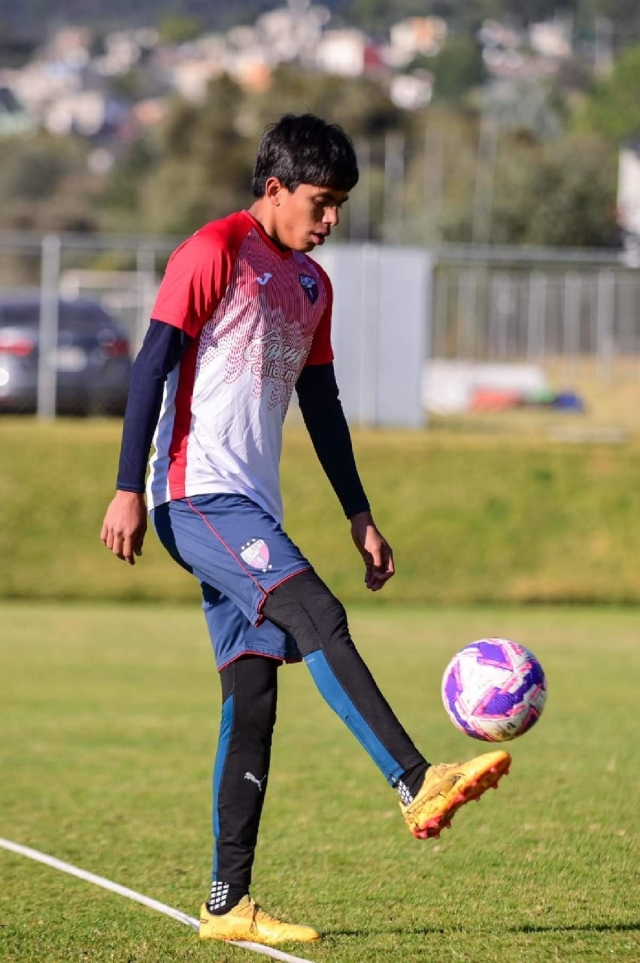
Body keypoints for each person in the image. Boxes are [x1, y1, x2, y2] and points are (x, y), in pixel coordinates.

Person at [100, 113, 510, 947]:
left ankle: (227, 901)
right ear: (275, 188)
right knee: (318, 615)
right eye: (321, 203)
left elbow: (320, 405)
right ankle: (415, 778)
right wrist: (124, 489)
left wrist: (359, 512)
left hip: (250, 507)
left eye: (341, 207)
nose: (330, 222)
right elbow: (152, 364)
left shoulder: (314, 288)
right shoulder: (211, 250)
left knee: (253, 698)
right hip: (196, 497)